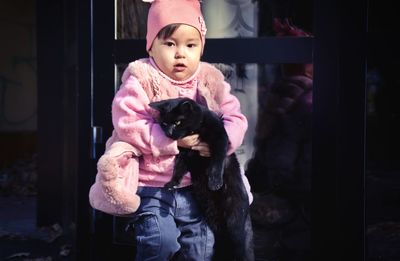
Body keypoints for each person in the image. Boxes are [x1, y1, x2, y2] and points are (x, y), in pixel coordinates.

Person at [111, 0, 251, 260]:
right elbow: (128, 123)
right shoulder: (141, 78)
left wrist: (219, 143)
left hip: (195, 187)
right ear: (151, 47)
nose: (180, 53)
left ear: (201, 48)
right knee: (159, 242)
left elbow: (236, 118)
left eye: (190, 45)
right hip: (151, 186)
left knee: (202, 247)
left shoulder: (209, 78)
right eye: (170, 44)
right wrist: (174, 143)